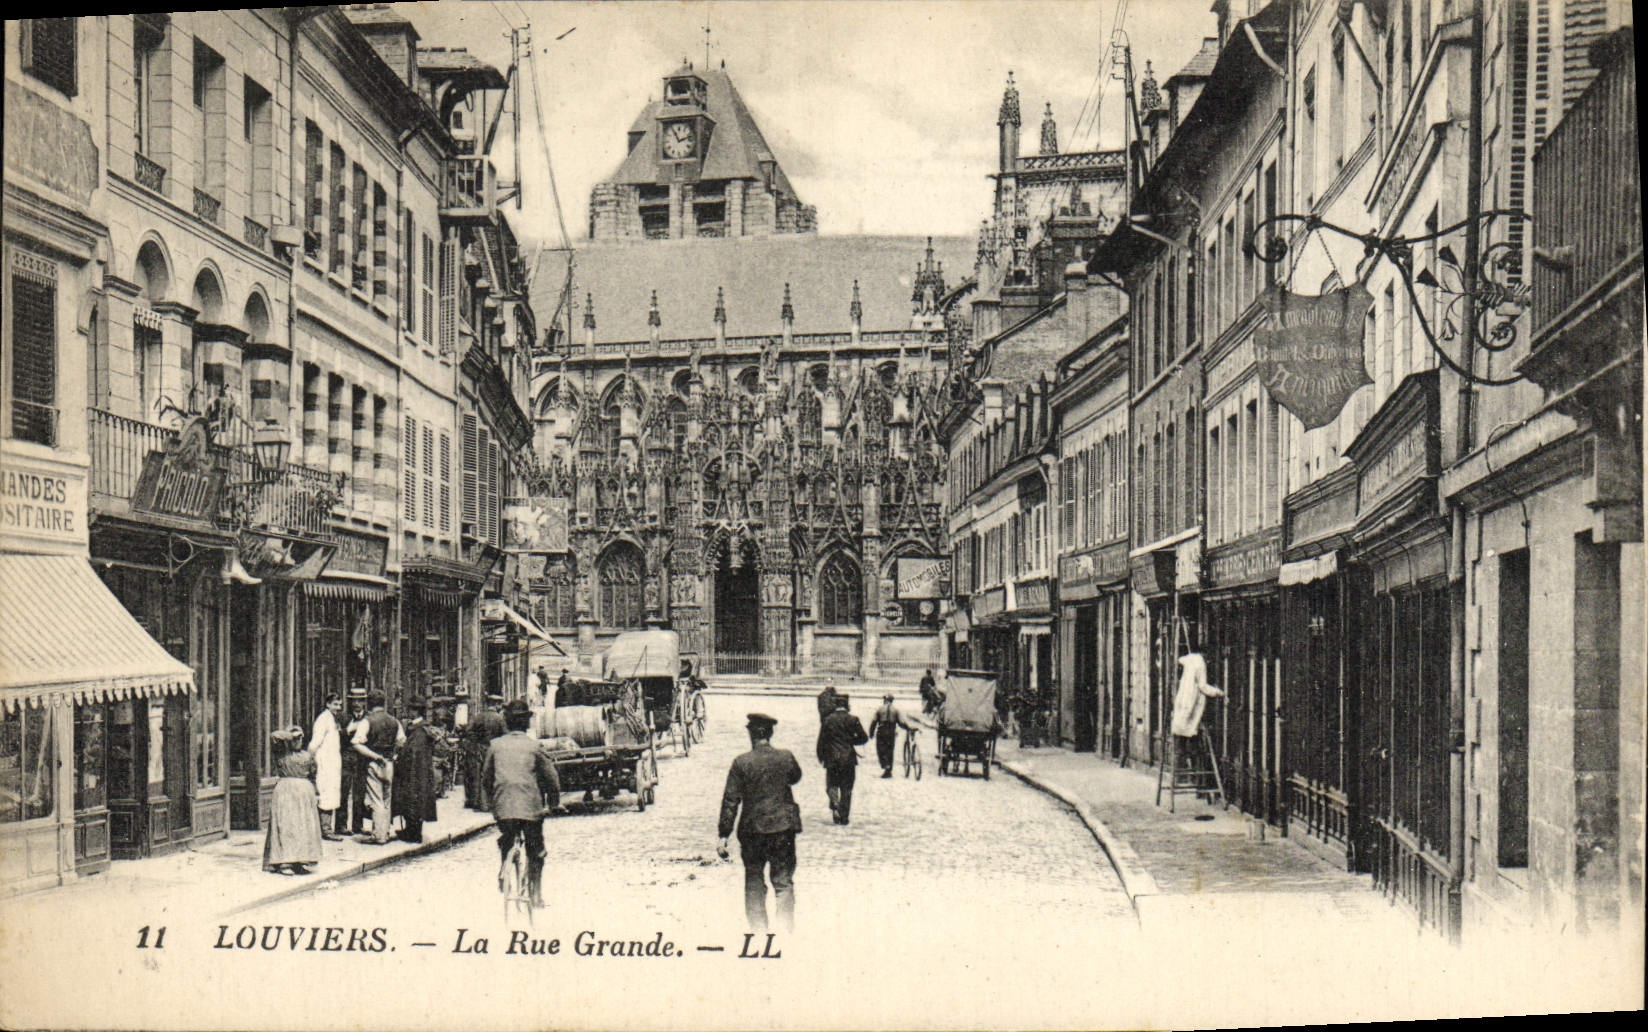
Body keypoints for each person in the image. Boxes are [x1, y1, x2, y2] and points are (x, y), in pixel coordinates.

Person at [717, 713, 803, 932]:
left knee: (754, 881)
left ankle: (758, 932)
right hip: (783, 829)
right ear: (770, 733)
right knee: (783, 881)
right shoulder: (786, 757)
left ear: (751, 734)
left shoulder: (741, 762)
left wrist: (724, 834)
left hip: (753, 831)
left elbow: (730, 800)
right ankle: (785, 931)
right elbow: (795, 777)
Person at [483, 699, 560, 908]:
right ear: (526, 722)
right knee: (536, 849)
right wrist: (553, 803)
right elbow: (551, 778)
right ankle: (535, 895)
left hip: (504, 807)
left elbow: (486, 778)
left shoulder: (495, 746)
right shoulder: (534, 747)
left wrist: (492, 804)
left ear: (507, 722)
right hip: (530, 808)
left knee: (507, 837)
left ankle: (504, 867)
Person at [263, 727, 322, 875]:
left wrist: (316, 793)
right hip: (286, 792)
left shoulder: (308, 756)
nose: (298, 741)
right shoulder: (282, 754)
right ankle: (285, 862)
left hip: (304, 794)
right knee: (287, 826)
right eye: (295, 739)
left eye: (300, 738)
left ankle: (300, 861)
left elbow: (313, 774)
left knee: (303, 826)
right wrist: (290, 735)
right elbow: (273, 736)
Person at [352, 691, 404, 844]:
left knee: (376, 800)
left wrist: (374, 756)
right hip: (389, 763)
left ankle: (379, 835)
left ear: (369, 704)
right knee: (387, 799)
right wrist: (394, 754)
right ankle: (385, 832)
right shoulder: (394, 721)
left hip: (374, 763)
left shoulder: (367, 721)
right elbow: (402, 741)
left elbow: (356, 743)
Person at [816, 694, 868, 824]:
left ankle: (835, 805)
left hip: (832, 758)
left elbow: (822, 740)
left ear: (836, 706)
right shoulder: (853, 719)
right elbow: (864, 738)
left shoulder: (828, 720)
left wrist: (821, 756)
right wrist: (851, 741)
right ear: (847, 706)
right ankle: (844, 816)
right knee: (847, 788)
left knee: (832, 784)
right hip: (848, 758)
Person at [392, 698, 439, 843]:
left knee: (413, 800)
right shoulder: (417, 727)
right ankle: (410, 830)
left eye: (412, 709)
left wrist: (400, 755)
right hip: (418, 771)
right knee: (412, 800)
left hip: (415, 771)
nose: (409, 712)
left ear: (417, 711)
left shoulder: (420, 730)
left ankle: (413, 833)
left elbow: (413, 751)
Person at [309, 694, 345, 840]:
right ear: (328, 704)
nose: (338, 707)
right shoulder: (323, 719)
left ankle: (325, 828)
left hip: (332, 763)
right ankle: (325, 829)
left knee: (331, 794)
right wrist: (311, 760)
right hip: (325, 763)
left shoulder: (332, 719)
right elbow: (314, 743)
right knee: (326, 794)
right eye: (335, 704)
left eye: (340, 705)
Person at [464, 693, 508, 810]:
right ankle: (489, 803)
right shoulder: (499, 719)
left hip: (479, 749)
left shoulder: (478, 717)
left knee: (477, 775)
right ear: (496, 704)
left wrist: (477, 741)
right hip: (494, 750)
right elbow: (505, 734)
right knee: (491, 775)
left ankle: (476, 801)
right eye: (499, 704)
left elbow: (468, 731)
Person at [338, 687, 370, 836]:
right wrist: (348, 730)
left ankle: (358, 825)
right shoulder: (343, 718)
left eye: (360, 700)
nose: (357, 703)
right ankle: (341, 825)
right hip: (346, 757)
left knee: (360, 792)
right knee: (343, 791)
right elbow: (337, 737)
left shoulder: (368, 718)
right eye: (354, 700)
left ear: (364, 702)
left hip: (362, 759)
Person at [867, 693, 916, 779]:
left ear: (885, 700)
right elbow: (901, 722)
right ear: (892, 701)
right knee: (890, 750)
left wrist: (871, 733)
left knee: (880, 749)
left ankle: (885, 765)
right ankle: (888, 769)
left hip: (881, 731)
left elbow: (874, 722)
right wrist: (908, 728)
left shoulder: (880, 709)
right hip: (891, 732)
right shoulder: (896, 710)